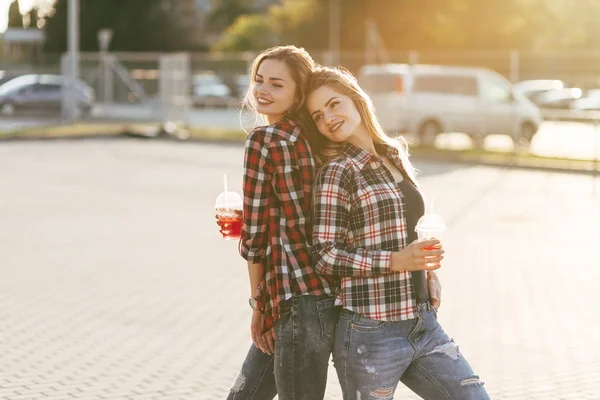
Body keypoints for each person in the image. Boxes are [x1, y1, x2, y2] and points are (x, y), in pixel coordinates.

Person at [306, 66, 490, 400]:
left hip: (422, 322)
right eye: (318, 115)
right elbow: (324, 255)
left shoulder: (393, 152)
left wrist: (427, 272)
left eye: (334, 104)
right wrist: (396, 261)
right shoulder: (338, 171)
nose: (328, 118)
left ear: (356, 99)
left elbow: (407, 230)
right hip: (369, 331)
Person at [225, 45, 338, 400]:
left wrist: (259, 306)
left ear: (297, 94)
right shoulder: (318, 139)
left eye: (276, 84)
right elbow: (297, 214)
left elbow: (256, 237)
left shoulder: (263, 139)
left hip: (293, 301)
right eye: (259, 80)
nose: (262, 90)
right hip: (327, 298)